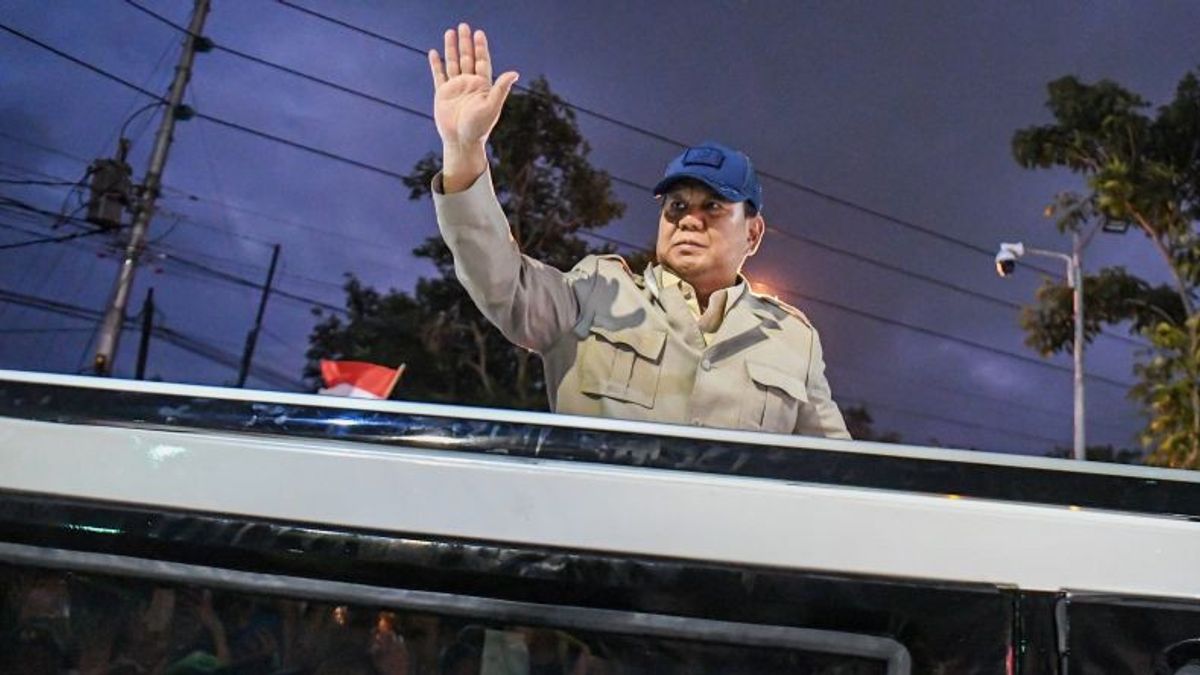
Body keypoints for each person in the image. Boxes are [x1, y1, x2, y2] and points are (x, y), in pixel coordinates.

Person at [426, 23, 849, 439]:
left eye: (713, 207)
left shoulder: (794, 339)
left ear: (753, 234)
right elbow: (502, 284)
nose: (688, 219)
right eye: (677, 205)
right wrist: (463, 151)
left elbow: (840, 473)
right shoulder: (596, 291)